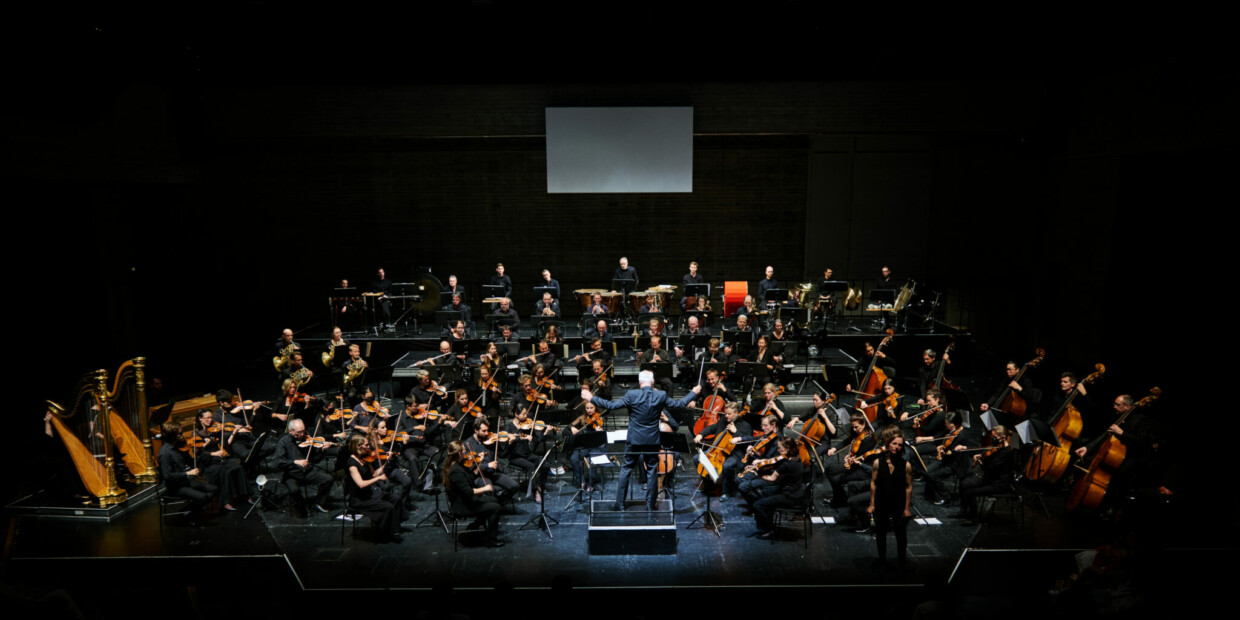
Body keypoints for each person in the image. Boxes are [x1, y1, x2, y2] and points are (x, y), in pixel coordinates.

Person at [584, 370, 700, 510]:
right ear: (652, 382)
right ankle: (650, 506)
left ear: (640, 383)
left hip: (634, 440)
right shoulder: (660, 395)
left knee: (626, 469)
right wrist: (693, 392)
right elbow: (680, 404)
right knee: (651, 471)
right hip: (652, 441)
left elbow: (611, 406)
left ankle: (619, 504)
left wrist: (591, 398)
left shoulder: (632, 395)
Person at [345, 435, 408, 542]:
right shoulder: (352, 464)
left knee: (396, 498)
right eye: (366, 445)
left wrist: (386, 461)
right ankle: (386, 534)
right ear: (358, 446)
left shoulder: (364, 458)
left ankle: (395, 527)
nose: (369, 447)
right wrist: (379, 478)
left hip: (368, 494)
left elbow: (374, 474)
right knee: (387, 506)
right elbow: (361, 484)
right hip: (359, 500)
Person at [443, 441, 504, 547]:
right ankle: (491, 539)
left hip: (466, 500)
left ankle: (477, 523)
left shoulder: (458, 465)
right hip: (463, 506)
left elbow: (470, 478)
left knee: (493, 500)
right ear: (459, 454)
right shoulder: (455, 471)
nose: (466, 451)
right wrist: (485, 488)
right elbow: (468, 491)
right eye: (464, 450)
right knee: (496, 507)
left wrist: (478, 463)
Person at [869, 424, 912, 571]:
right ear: (888, 444)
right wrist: (872, 504)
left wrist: (906, 508)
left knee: (901, 534)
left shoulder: (906, 465)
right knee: (881, 533)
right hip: (882, 502)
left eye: (900, 445)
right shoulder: (877, 463)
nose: (897, 447)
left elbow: (908, 487)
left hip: (898, 503)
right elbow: (873, 483)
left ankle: (902, 561)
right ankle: (882, 560)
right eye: (894, 444)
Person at [952, 425, 1015, 523]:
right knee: (964, 483)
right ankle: (964, 510)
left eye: (994, 437)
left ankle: (973, 517)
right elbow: (988, 456)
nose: (992, 439)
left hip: (999, 483)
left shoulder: (1006, 452)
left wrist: (981, 462)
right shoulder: (998, 447)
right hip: (990, 478)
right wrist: (981, 456)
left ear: (1003, 438)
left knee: (971, 491)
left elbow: (991, 468)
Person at [274, 419, 335, 516]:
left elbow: (316, 459)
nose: (303, 434)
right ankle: (302, 507)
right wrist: (295, 461)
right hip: (292, 474)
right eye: (299, 432)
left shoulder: (308, 440)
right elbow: (278, 462)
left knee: (328, 479)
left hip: (307, 472)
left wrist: (322, 450)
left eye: (303, 430)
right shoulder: (283, 442)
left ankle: (318, 503)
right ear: (291, 431)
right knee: (294, 490)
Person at [192, 409, 249, 510]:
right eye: (207, 418)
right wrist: (210, 450)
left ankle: (245, 495)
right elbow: (197, 454)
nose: (210, 420)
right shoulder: (196, 434)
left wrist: (234, 432)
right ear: (200, 419)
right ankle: (225, 502)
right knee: (224, 472)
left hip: (219, 459)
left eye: (211, 417)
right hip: (208, 463)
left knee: (238, 467)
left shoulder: (215, 430)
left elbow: (225, 445)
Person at [158, 421, 218, 518]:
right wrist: (187, 473)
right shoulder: (165, 453)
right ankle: (191, 516)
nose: (183, 435)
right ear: (172, 436)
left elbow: (189, 460)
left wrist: (201, 450)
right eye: (180, 434)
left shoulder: (176, 447)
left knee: (213, 489)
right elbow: (167, 476)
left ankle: (188, 511)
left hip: (184, 482)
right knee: (203, 497)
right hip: (175, 487)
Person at [748, 437, 805, 540]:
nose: (778, 451)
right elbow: (774, 460)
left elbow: (771, 478)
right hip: (796, 492)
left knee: (758, 504)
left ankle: (768, 530)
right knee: (762, 493)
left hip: (789, 496)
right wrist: (761, 461)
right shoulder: (796, 457)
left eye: (780, 448)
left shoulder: (787, 465)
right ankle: (766, 524)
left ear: (787, 448)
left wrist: (757, 473)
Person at [693, 403, 750, 498]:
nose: (726, 416)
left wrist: (735, 432)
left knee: (727, 465)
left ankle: (726, 491)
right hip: (718, 451)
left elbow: (747, 442)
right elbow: (712, 428)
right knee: (697, 458)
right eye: (725, 413)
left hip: (735, 453)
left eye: (729, 414)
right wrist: (701, 434)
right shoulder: (723, 421)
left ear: (736, 413)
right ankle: (709, 484)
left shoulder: (745, 425)